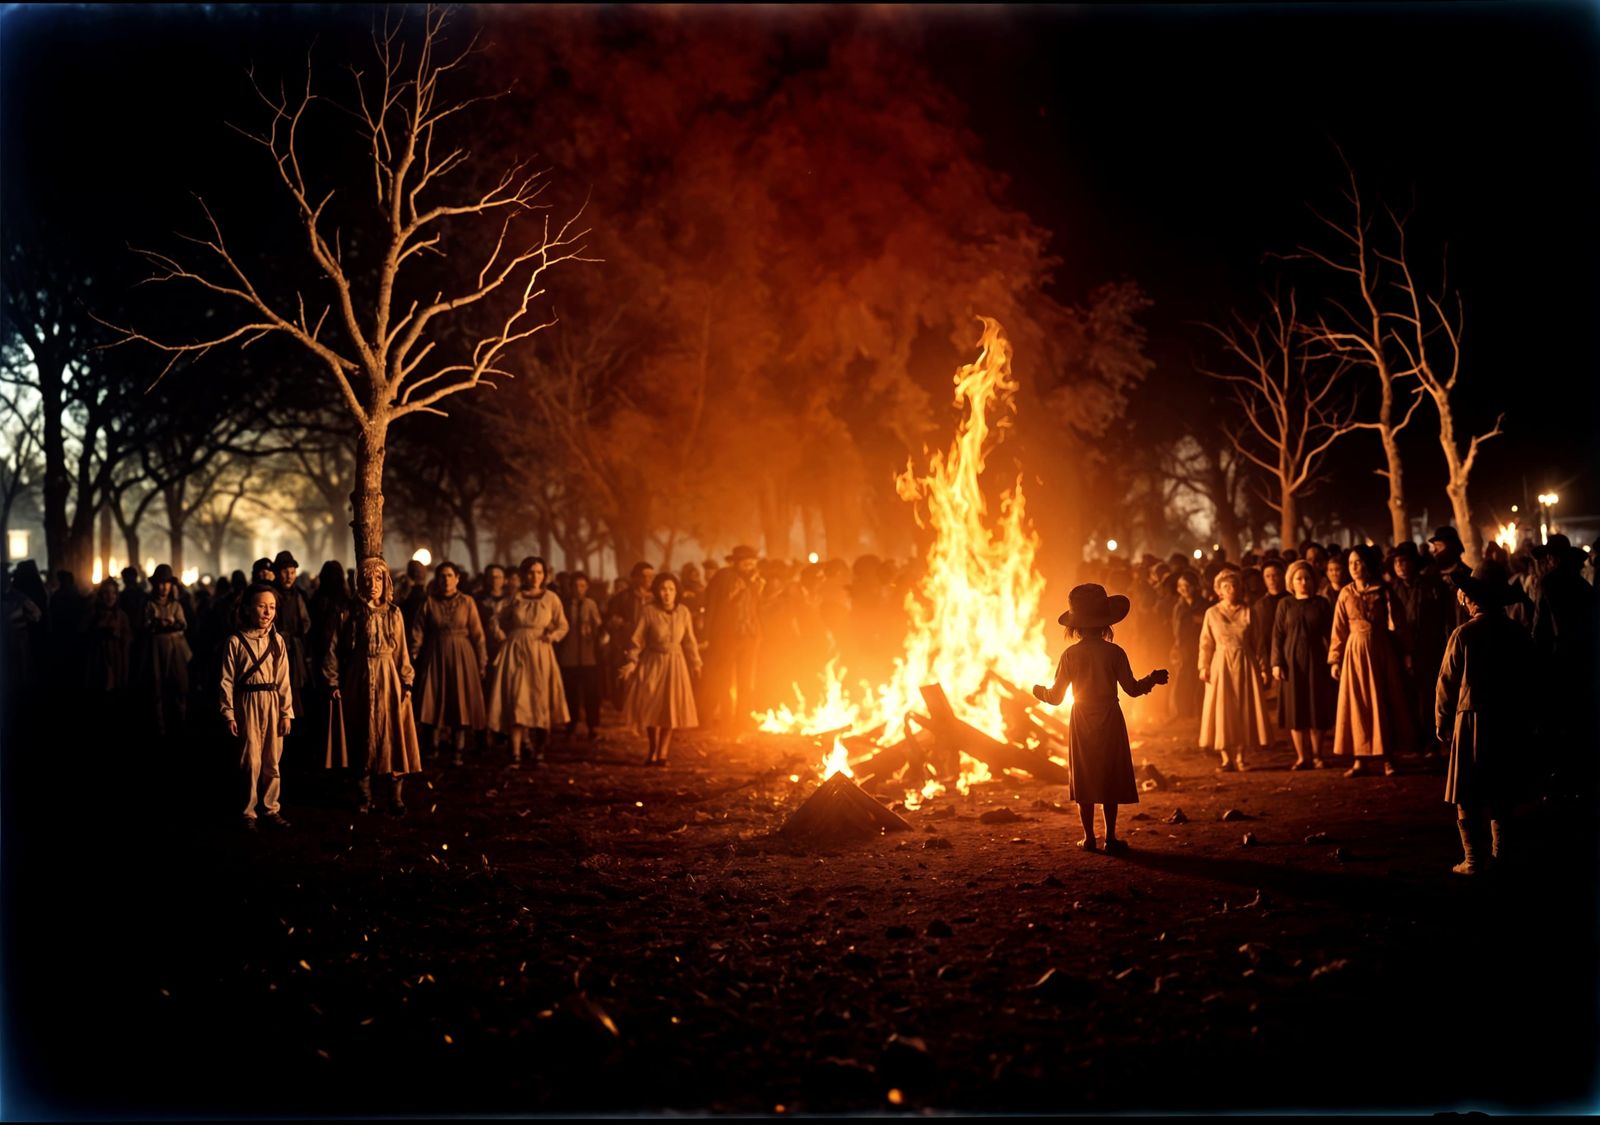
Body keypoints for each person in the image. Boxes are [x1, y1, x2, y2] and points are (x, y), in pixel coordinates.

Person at [1032, 583, 1168, 853]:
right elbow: (1131, 689)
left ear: (1075, 626)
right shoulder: (1115, 652)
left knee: (1086, 776)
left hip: (1081, 719)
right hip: (1110, 717)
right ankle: (1111, 838)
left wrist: (1039, 692)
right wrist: (1151, 679)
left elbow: (1056, 697)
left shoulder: (1070, 655)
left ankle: (1089, 838)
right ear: (1107, 623)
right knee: (1109, 775)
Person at [1436, 562, 1534, 874]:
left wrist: (1441, 719)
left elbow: (1446, 683)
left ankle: (1474, 860)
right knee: (1502, 789)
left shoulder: (1464, 634)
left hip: (1471, 721)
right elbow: (1534, 679)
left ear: (1474, 598)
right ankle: (1500, 856)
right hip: (1509, 720)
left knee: (1467, 791)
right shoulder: (1518, 633)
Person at [325, 558, 423, 815]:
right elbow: (333, 648)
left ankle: (395, 796)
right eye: (367, 579)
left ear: (386, 581)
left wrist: (406, 681)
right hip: (359, 677)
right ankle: (364, 796)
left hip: (388, 678)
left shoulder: (394, 613)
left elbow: (401, 651)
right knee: (361, 733)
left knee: (393, 734)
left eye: (378, 579)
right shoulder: (350, 612)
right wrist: (333, 680)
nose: (372, 585)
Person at [1329, 544, 1412, 777]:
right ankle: (1360, 759)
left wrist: (1406, 653)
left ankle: (1388, 757)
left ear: (1368, 564)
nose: (1355, 567)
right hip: (1354, 654)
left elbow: (1399, 623)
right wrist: (1335, 659)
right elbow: (1339, 628)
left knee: (1383, 700)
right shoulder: (1346, 593)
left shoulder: (1383, 591)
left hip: (1380, 651)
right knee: (1357, 704)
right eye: (1351, 563)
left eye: (1359, 562)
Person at [220, 583, 294, 831]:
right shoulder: (236, 641)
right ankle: (248, 811)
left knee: (272, 760)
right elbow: (227, 680)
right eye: (261, 606)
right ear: (248, 609)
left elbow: (283, 680)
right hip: (247, 704)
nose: (267, 612)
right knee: (250, 761)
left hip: (272, 703)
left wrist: (286, 712)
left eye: (271, 607)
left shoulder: (277, 641)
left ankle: (271, 808)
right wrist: (228, 712)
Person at [486, 556, 570, 767]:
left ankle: (539, 752)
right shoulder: (515, 598)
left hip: (541, 652)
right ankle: (515, 753)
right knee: (518, 698)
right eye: (531, 572)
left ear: (545, 575)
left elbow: (563, 625)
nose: (535, 577)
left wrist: (552, 636)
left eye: (539, 572)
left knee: (540, 700)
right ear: (524, 575)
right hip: (516, 653)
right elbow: (496, 618)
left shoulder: (551, 598)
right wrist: (500, 634)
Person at [618, 571, 703, 766]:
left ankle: (663, 753)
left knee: (669, 708)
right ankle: (653, 749)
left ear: (676, 592)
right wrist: (632, 661)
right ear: (657, 591)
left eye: (671, 589)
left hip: (676, 663)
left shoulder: (683, 612)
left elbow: (690, 641)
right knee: (651, 706)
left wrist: (696, 663)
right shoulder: (649, 611)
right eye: (663, 589)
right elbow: (637, 640)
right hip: (653, 661)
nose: (667, 593)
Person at [409, 560, 488, 765]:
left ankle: (458, 750)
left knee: (459, 699)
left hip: (462, 656)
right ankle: (432, 747)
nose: (446, 580)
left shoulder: (467, 602)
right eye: (442, 576)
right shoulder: (428, 602)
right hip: (435, 654)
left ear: (457, 578)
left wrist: (481, 660)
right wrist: (414, 656)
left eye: (450, 575)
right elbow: (417, 632)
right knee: (433, 699)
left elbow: (478, 634)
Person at [1198, 568, 1271, 772]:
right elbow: (1205, 643)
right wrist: (1203, 666)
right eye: (1226, 586)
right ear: (1219, 590)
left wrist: (1264, 668)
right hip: (1220, 664)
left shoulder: (1249, 611)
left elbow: (1258, 643)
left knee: (1243, 708)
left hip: (1245, 663)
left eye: (1235, 585)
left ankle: (1240, 756)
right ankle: (1225, 757)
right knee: (1222, 709)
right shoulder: (1211, 613)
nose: (1231, 589)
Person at [1388, 541, 1452, 758]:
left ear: (1413, 563)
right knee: (1406, 697)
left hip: (1427, 648)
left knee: (1427, 698)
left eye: (1404, 561)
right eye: (1396, 562)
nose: (1400, 566)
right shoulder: (1392, 589)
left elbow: (1443, 617)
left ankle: (1431, 743)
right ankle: (1411, 742)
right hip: (1400, 650)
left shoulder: (1430, 585)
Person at [1271, 560, 1337, 769]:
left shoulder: (1322, 604)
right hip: (1291, 663)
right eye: (1298, 578)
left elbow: (1331, 634)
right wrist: (1276, 663)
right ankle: (1302, 757)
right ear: (1291, 581)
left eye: (1307, 578)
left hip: (1316, 660)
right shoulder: (1285, 604)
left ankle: (1318, 755)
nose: (1303, 582)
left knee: (1316, 707)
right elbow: (1277, 635)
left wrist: (1334, 659)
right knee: (1295, 707)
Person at [701, 546, 763, 730]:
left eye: (752, 562)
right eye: (746, 562)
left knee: (746, 682)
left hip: (749, 637)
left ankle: (742, 721)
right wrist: (706, 635)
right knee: (725, 682)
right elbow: (711, 606)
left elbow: (756, 608)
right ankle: (726, 722)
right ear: (736, 562)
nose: (750, 565)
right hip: (726, 638)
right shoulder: (723, 577)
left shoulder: (754, 580)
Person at [140, 563, 192, 739]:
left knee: (179, 685)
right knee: (157, 686)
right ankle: (160, 726)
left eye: (167, 583)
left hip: (175, 649)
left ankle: (181, 723)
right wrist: (158, 624)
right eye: (161, 583)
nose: (164, 587)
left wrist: (172, 624)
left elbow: (183, 624)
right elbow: (146, 625)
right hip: (156, 650)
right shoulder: (149, 605)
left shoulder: (176, 606)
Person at [557, 571, 605, 741]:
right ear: (570, 587)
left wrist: (594, 632)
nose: (579, 589)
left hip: (588, 656)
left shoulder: (591, 604)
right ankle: (571, 725)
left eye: (582, 586)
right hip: (568, 656)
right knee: (570, 693)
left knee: (591, 694)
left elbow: (599, 625)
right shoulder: (564, 604)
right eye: (575, 585)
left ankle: (593, 726)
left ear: (587, 587)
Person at [604, 562, 655, 709]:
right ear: (635, 578)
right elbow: (608, 621)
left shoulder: (656, 598)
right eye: (644, 576)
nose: (648, 580)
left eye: (651, 576)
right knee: (626, 679)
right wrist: (617, 623)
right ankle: (625, 708)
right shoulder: (622, 598)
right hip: (627, 644)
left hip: (650, 645)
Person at [1169, 570, 1207, 722]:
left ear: (1194, 586)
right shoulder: (1179, 607)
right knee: (1182, 679)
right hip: (1184, 647)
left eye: (1186, 585)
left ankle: (1200, 712)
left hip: (1200, 646)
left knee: (1200, 681)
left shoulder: (1204, 605)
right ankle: (1182, 712)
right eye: (1180, 586)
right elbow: (1175, 628)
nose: (1183, 589)